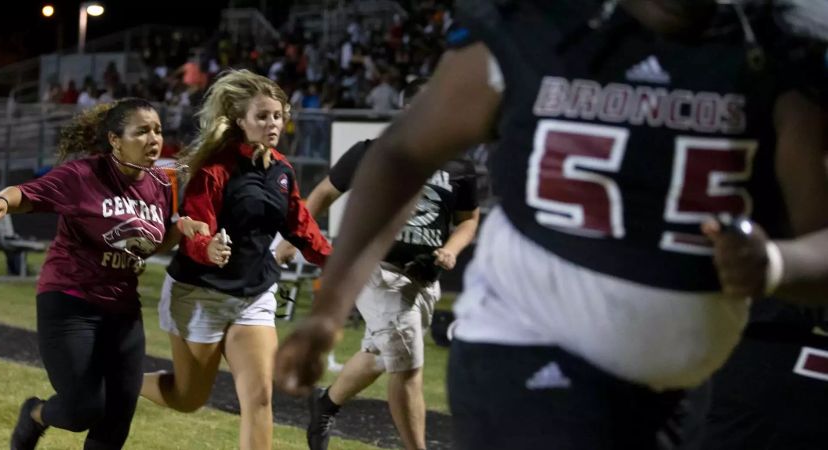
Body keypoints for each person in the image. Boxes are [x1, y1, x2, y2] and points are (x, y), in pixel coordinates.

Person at [274, 1, 828, 449]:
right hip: (529, 341)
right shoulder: (542, 27)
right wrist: (328, 309)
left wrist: (776, 263)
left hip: (686, 381)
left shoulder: (772, 53)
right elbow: (399, 155)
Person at [0, 98, 209, 450]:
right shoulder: (83, 175)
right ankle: (35, 414)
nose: (154, 139)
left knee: (117, 420)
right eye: (142, 131)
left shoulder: (160, 184)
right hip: (71, 302)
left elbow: (148, 244)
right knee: (84, 408)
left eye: (158, 130)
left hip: (123, 311)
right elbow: (26, 193)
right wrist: (4, 201)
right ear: (115, 139)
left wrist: (180, 231)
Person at [276, 78, 479, 450]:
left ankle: (325, 405)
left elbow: (468, 219)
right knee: (408, 367)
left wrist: (451, 248)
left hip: (423, 276)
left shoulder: (459, 163)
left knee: (380, 356)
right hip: (375, 271)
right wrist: (294, 236)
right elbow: (323, 192)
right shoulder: (373, 152)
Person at [139, 70, 331, 450]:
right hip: (201, 293)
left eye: (277, 115)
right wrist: (208, 247)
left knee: (259, 399)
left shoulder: (282, 170)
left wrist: (336, 262)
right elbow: (195, 227)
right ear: (240, 120)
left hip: (253, 295)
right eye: (262, 116)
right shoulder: (214, 169)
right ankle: (122, 381)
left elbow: (301, 226)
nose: (273, 123)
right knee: (188, 398)